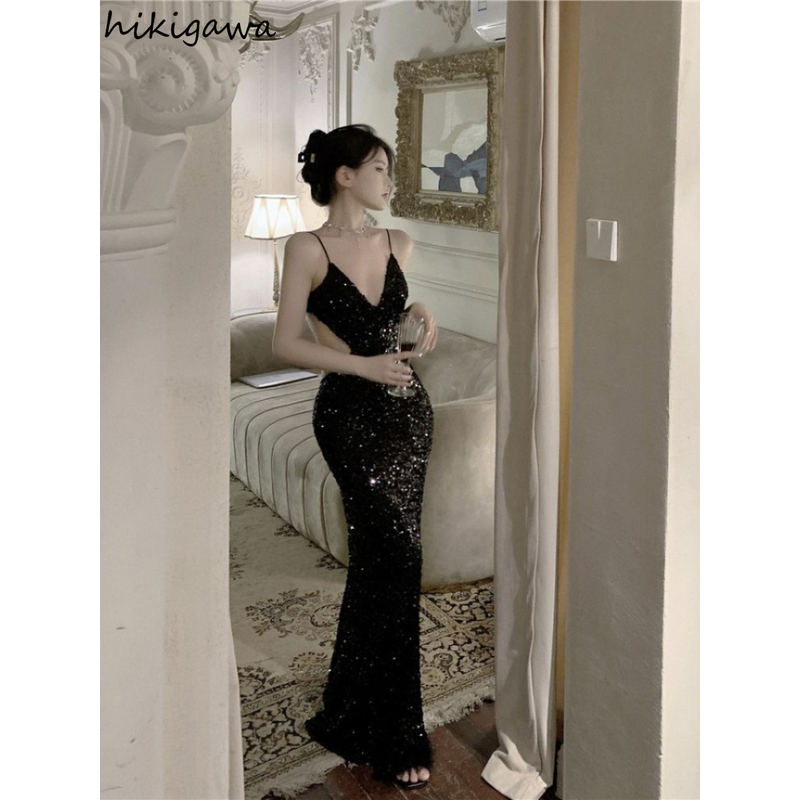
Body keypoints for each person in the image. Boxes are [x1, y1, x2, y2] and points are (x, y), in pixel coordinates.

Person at [272, 124, 439, 790]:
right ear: (345, 176)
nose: (389, 181)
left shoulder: (398, 241)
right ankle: (399, 734)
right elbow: (286, 342)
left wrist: (416, 308)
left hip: (407, 413)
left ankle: (351, 705)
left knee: (384, 560)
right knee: (397, 556)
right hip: (347, 415)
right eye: (380, 169)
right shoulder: (305, 248)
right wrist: (364, 366)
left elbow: (393, 321)